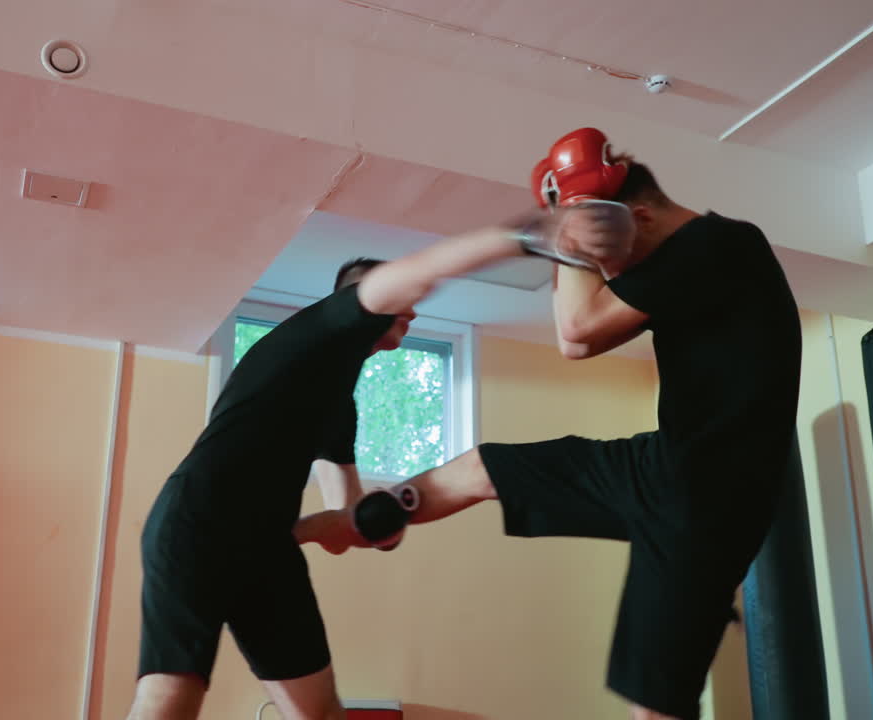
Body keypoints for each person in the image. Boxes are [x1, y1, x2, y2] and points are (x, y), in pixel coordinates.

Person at [296, 130, 803, 720]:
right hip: (667, 468)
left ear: (635, 214)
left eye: (609, 251)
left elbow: (577, 334)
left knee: (656, 709)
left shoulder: (719, 245)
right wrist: (575, 226)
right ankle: (351, 524)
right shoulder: (695, 259)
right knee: (484, 467)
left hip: (705, 498)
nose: (609, 269)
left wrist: (571, 233)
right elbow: (584, 326)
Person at [124, 211, 594, 720]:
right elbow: (421, 272)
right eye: (398, 301)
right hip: (198, 519)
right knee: (169, 703)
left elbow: (342, 518)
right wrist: (525, 238)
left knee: (322, 713)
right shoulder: (319, 328)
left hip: (264, 549)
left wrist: (381, 522)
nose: (410, 311)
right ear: (359, 302)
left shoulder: (338, 401)